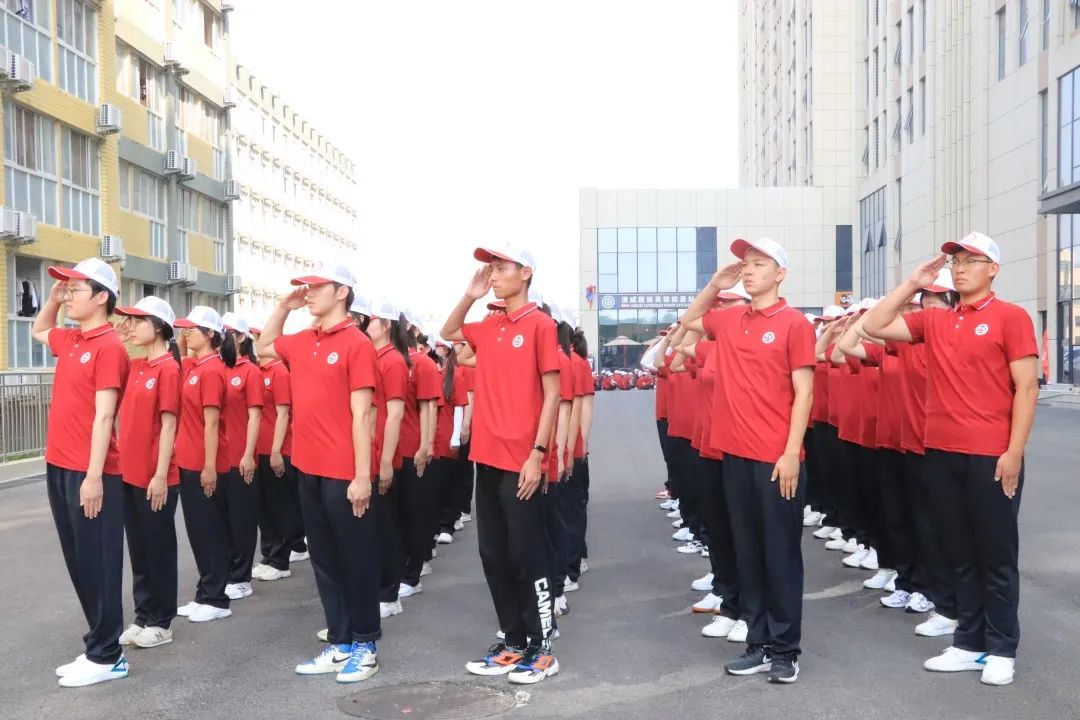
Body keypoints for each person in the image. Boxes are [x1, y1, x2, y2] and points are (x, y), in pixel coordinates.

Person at [863, 232, 1039, 687]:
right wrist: (912, 283)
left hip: (990, 454)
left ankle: (1001, 648)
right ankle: (969, 642)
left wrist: (1014, 451)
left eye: (971, 261)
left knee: (995, 555)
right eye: (955, 261)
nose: (959, 268)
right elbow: (874, 325)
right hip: (940, 453)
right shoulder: (936, 321)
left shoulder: (1010, 317)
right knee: (957, 552)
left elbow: (1027, 387)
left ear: (993, 269)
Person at [681, 237, 815, 684]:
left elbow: (804, 392)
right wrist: (715, 284)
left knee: (780, 556)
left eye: (760, 263)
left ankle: (785, 650)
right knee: (748, 553)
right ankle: (757, 643)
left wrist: (792, 452)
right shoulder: (731, 318)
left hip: (776, 460)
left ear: (781, 274)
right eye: (746, 264)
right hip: (734, 456)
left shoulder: (795, 323)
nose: (750, 270)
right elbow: (689, 321)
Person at [441, 245, 561, 685]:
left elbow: (553, 393)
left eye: (500, 268)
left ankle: (542, 647)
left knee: (527, 553)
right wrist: (470, 295)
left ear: (525, 273)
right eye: (489, 269)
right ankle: (512, 640)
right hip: (486, 457)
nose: (492, 275)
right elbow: (448, 330)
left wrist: (538, 453)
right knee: (493, 553)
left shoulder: (541, 325)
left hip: (522, 460)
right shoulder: (490, 327)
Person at [256, 262, 381, 684]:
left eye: (315, 287)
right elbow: (264, 345)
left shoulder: (356, 343)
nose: (307, 293)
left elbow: (362, 415)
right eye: (304, 287)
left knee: (355, 558)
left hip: (344, 470)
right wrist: (283, 306)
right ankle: (341, 640)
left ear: (342, 291)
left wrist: (362, 476)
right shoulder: (304, 340)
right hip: (308, 466)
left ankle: (365, 644)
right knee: (324, 559)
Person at [33, 258, 130, 687]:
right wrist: (54, 301)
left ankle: (109, 655)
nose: (68, 295)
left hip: (91, 472)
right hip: (60, 464)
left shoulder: (109, 347)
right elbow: (39, 330)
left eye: (75, 289)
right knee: (78, 561)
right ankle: (99, 644)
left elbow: (105, 416)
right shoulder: (72, 339)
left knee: (99, 563)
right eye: (66, 289)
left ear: (102, 296)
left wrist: (93, 477)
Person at [115, 296, 183, 650]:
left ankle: (161, 621)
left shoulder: (168, 368)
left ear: (158, 327)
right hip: (129, 473)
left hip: (156, 476)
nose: (132, 327)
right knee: (139, 549)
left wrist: (160, 475)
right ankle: (143, 615)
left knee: (158, 549)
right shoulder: (136, 365)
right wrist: (120, 333)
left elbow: (169, 426)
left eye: (139, 321)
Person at [174, 306, 235, 624]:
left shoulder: (212, 370)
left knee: (210, 530)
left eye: (192, 329)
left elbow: (212, 423)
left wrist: (210, 467)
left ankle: (217, 597)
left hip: (204, 462)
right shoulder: (194, 365)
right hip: (187, 460)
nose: (186, 333)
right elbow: (178, 354)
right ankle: (204, 592)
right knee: (197, 530)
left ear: (210, 334)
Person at [251, 324, 305, 583]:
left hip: (278, 449)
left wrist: (275, 451)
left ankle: (280, 560)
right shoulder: (257, 371)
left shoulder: (279, 371)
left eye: (258, 336)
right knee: (264, 508)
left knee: (280, 506)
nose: (255, 341)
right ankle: (268, 556)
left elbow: (283, 413)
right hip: (259, 449)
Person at [368, 298, 410, 619]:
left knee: (385, 527)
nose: (367, 324)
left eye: (372, 320)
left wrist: (386, 462)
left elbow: (394, 414)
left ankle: (389, 593)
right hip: (368, 452)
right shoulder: (372, 357)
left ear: (386, 326)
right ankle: (377, 588)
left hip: (383, 455)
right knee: (372, 528)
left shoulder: (393, 361)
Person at [218, 313, 263, 601]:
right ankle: (224, 572)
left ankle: (241, 577)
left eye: (228, 333)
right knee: (221, 520)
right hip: (218, 457)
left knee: (241, 520)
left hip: (240, 457)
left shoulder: (250, 372)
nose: (222, 337)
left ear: (242, 337)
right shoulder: (217, 368)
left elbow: (255, 416)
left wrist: (248, 454)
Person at [397, 315, 442, 596]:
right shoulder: (385, 360)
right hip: (387, 452)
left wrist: (425, 445)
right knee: (394, 517)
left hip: (411, 449)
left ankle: (412, 573)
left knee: (413, 513)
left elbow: (429, 408)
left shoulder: (422, 364)